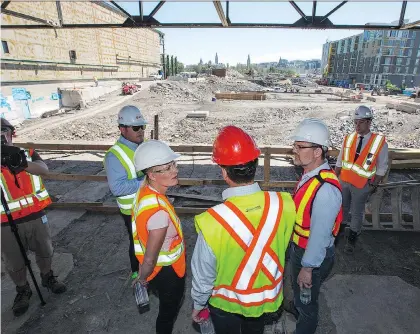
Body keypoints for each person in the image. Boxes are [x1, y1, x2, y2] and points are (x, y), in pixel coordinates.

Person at [190, 125, 296, 334]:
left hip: (225, 305)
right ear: (255, 164)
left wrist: (198, 304)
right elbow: (283, 244)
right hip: (264, 301)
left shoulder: (212, 221)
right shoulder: (284, 204)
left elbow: (204, 274)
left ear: (223, 172)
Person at [1, 118, 66, 317]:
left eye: (3, 130)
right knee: (14, 261)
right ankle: (23, 290)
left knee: (45, 250)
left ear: (12, 133)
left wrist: (21, 163)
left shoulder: (26, 153)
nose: (1, 136)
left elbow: (43, 169)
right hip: (5, 222)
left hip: (35, 216)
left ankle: (47, 277)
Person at [287, 118, 342, 333]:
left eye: (300, 147)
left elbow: (319, 237)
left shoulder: (325, 189)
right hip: (300, 247)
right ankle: (297, 306)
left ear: (318, 151)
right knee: (299, 290)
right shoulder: (311, 176)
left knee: (308, 303)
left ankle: (304, 323)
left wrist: (307, 268)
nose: (295, 150)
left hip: (310, 254)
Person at [131, 140, 186, 334]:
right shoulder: (158, 214)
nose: (175, 170)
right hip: (168, 273)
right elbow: (150, 258)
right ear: (152, 175)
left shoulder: (145, 193)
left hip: (161, 272)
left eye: (174, 164)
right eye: (167, 168)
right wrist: (141, 279)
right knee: (167, 315)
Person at [335, 106, 388, 253]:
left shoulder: (378, 142)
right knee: (342, 209)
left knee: (357, 212)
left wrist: (373, 185)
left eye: (361, 122)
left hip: (361, 184)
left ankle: (352, 239)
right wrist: (334, 178)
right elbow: (340, 161)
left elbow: (382, 166)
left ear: (369, 122)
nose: (357, 126)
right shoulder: (349, 138)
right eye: (356, 122)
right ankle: (338, 235)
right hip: (344, 181)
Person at [104, 105, 147, 279]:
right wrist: (146, 181)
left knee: (149, 241)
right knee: (137, 243)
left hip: (146, 204)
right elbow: (117, 187)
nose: (141, 131)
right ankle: (137, 275)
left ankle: (149, 271)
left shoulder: (140, 146)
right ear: (122, 129)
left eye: (142, 127)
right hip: (131, 210)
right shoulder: (114, 155)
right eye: (136, 128)